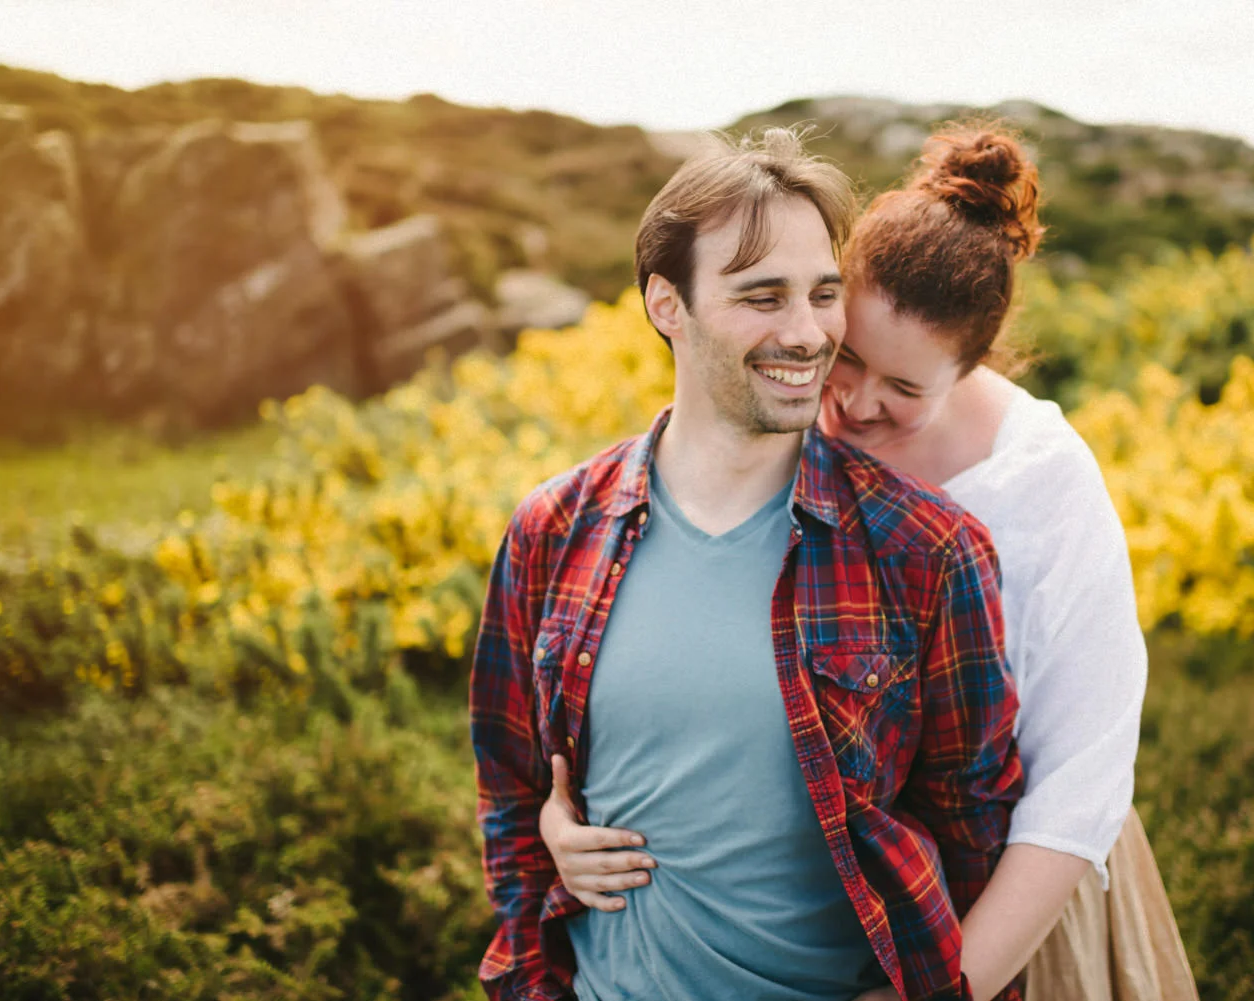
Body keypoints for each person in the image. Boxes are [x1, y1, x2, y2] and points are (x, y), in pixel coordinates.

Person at [539, 123, 1199, 1001]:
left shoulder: (1036, 482)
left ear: (968, 371)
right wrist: (563, 813)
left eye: (905, 391)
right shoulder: (789, 409)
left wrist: (950, 982)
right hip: (843, 900)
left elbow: (1082, 778)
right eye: (847, 354)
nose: (851, 399)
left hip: (1017, 894)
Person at [471, 127, 1025, 1001]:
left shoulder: (926, 552)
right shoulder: (554, 530)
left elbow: (973, 838)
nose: (807, 334)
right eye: (763, 296)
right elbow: (510, 798)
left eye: (823, 294)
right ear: (667, 305)